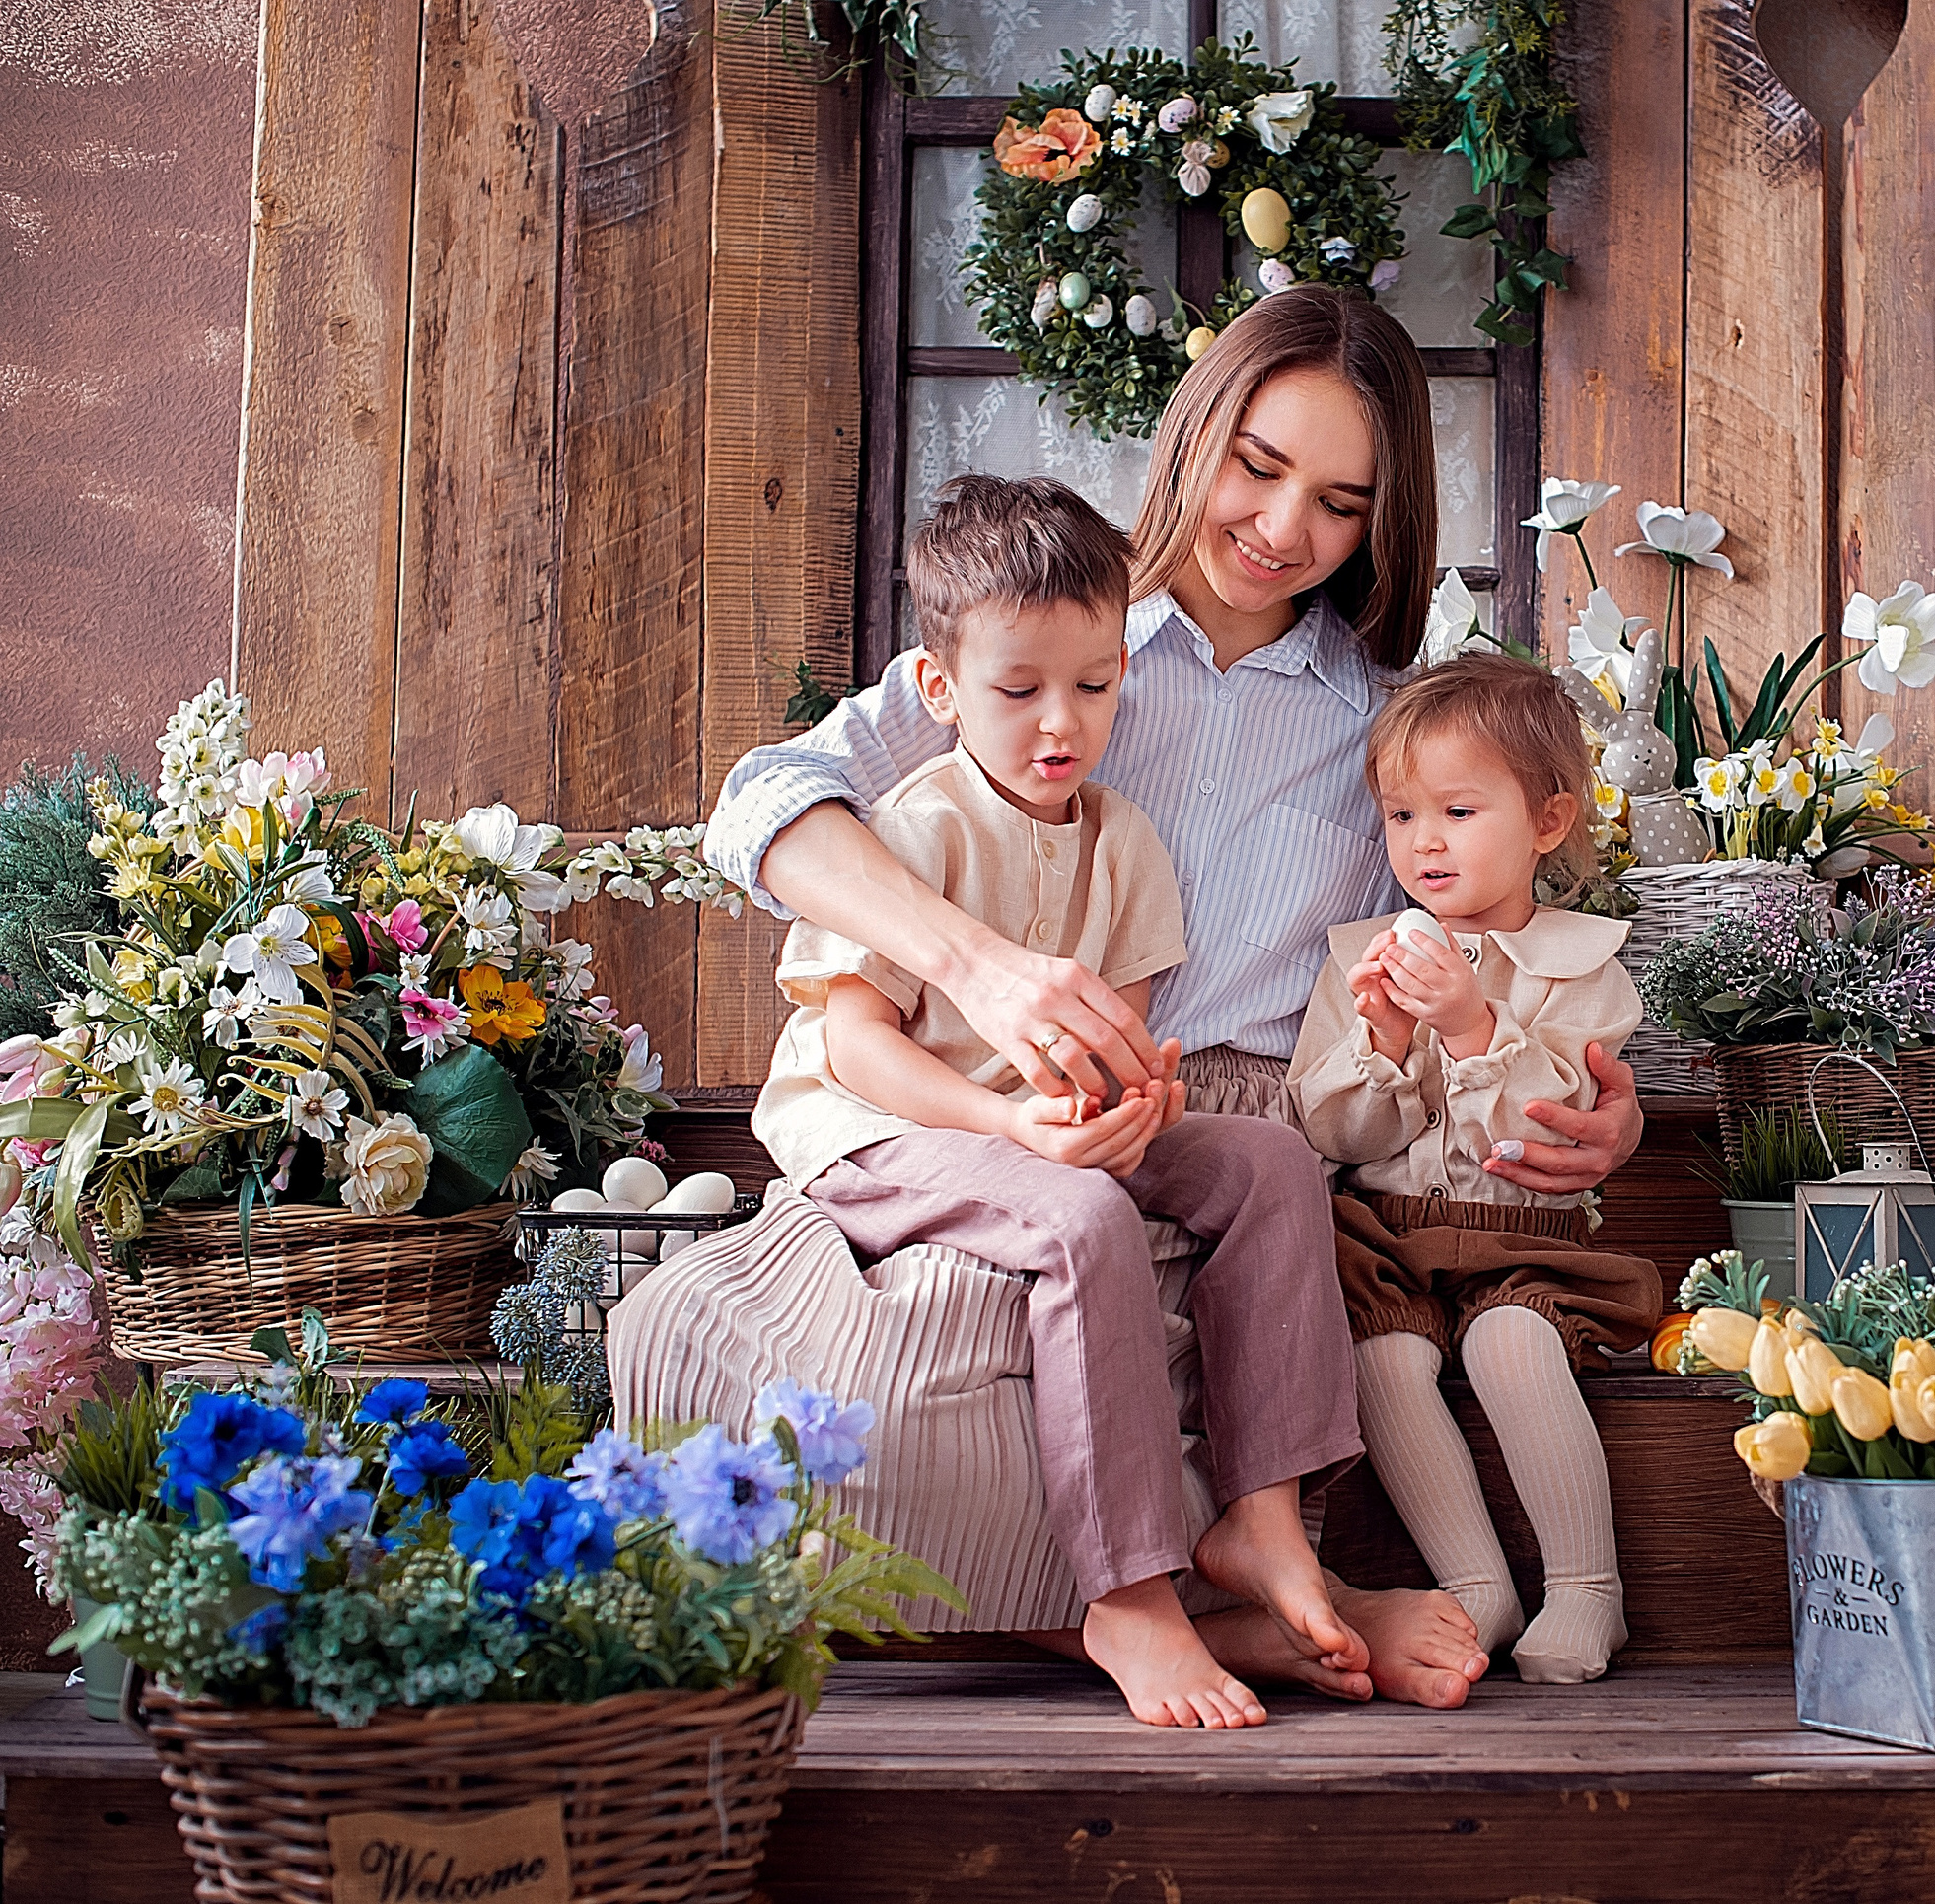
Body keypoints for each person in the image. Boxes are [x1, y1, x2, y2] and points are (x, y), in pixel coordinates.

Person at [702, 285, 1647, 1708]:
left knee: (1254, 1221)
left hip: (1265, 1120)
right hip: (999, 1095)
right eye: (1256, 467)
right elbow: (761, 804)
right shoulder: (1053, 641)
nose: (1281, 529)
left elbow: (1491, 929)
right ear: (1195, 431)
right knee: (940, 1357)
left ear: (1383, 521)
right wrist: (974, 962)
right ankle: (1246, 1616)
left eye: (1339, 501)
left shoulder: (1381, 716)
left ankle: (1253, 1582)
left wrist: (1578, 1096)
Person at [755, 474, 1361, 1729]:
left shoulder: (1125, 839)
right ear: (940, 691)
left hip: (1036, 1134)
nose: (1059, 722)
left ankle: (1259, 1520)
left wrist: (1124, 1109)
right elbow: (857, 1050)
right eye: (1018, 689)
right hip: (888, 1132)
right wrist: (1014, 1129)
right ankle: (1128, 1589)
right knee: (1082, 1219)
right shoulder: (908, 832)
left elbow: (1113, 1044)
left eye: (1092, 685)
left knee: (1268, 1166)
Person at [1288, 656, 1664, 1686]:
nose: (1426, 841)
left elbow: (1560, 1119)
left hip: (1518, 1234)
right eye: (1401, 815)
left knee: (1507, 1343)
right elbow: (1339, 1130)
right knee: (1383, 1362)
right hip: (1389, 1235)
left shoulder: (1583, 965)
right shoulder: (1357, 956)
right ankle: (1474, 1583)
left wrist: (1470, 1021)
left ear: (1546, 822)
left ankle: (1590, 1588)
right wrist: (1387, 1041)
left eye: (1457, 808)